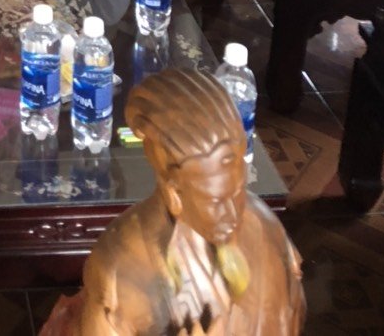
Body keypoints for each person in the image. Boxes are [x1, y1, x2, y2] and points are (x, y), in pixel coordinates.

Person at [39, 69, 305, 335]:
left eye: (237, 192)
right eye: (216, 202)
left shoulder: (266, 229)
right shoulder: (126, 266)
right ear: (174, 194)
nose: (234, 214)